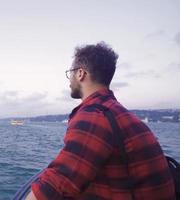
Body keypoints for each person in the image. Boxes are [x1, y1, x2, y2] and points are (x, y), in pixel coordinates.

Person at [25, 42, 175, 200]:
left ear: (80, 74)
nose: (69, 80)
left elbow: (56, 185)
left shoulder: (95, 116)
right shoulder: (118, 113)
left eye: (70, 73)